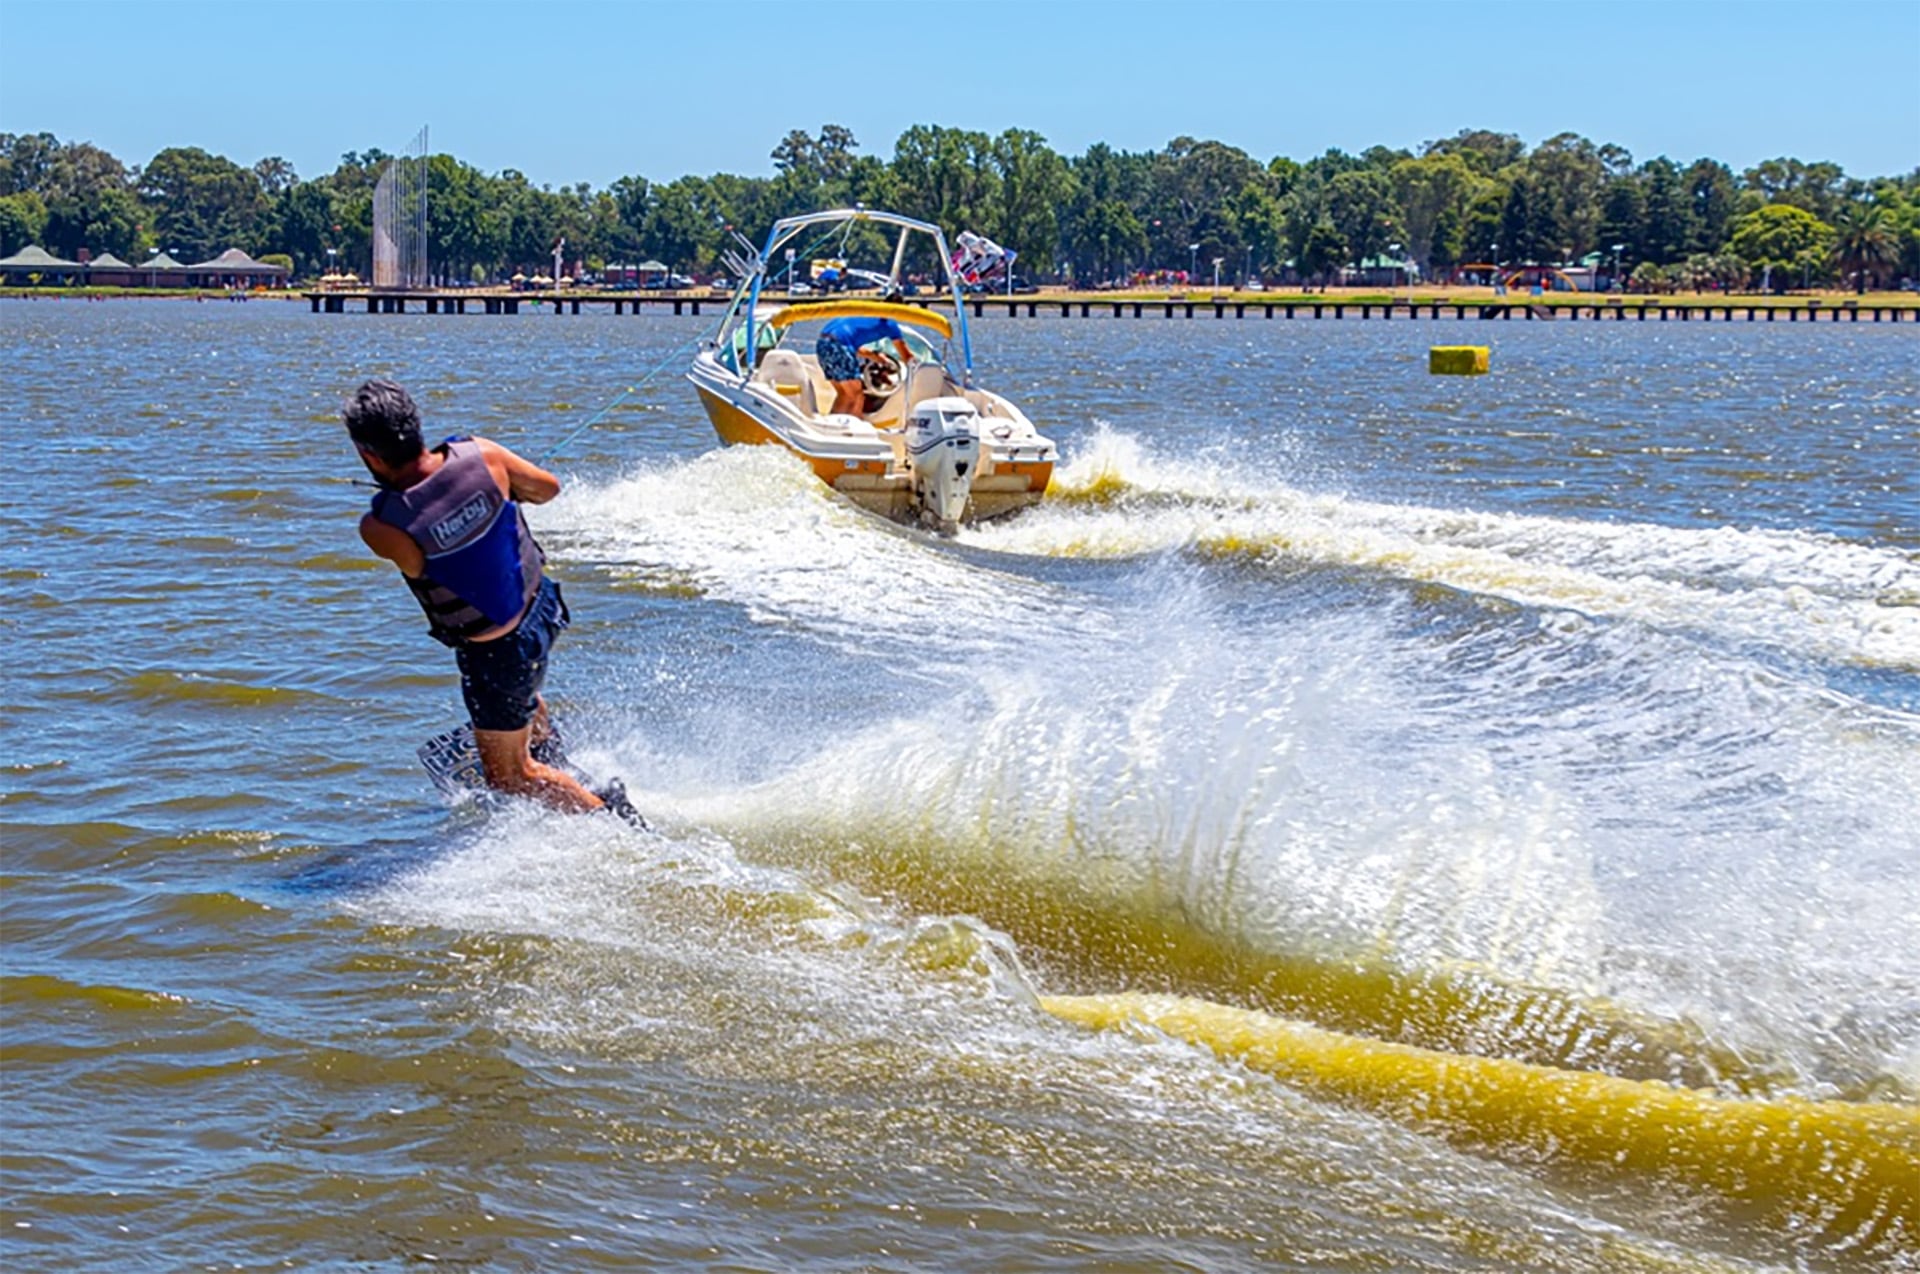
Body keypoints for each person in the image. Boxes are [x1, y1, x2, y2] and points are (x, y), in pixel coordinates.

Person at [342, 379, 638, 821]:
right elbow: (547, 489)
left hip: (497, 652)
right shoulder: (483, 454)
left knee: (508, 776)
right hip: (543, 609)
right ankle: (553, 756)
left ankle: (612, 821)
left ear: (369, 455)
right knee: (523, 689)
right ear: (416, 426)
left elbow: (417, 563)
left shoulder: (382, 526)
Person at [816, 314, 913, 416]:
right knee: (856, 394)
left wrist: (875, 357)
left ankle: (832, 427)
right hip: (840, 346)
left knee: (843, 394)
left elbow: (848, 344)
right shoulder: (890, 324)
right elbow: (907, 357)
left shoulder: (864, 314)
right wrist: (918, 368)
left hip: (822, 344)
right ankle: (854, 429)